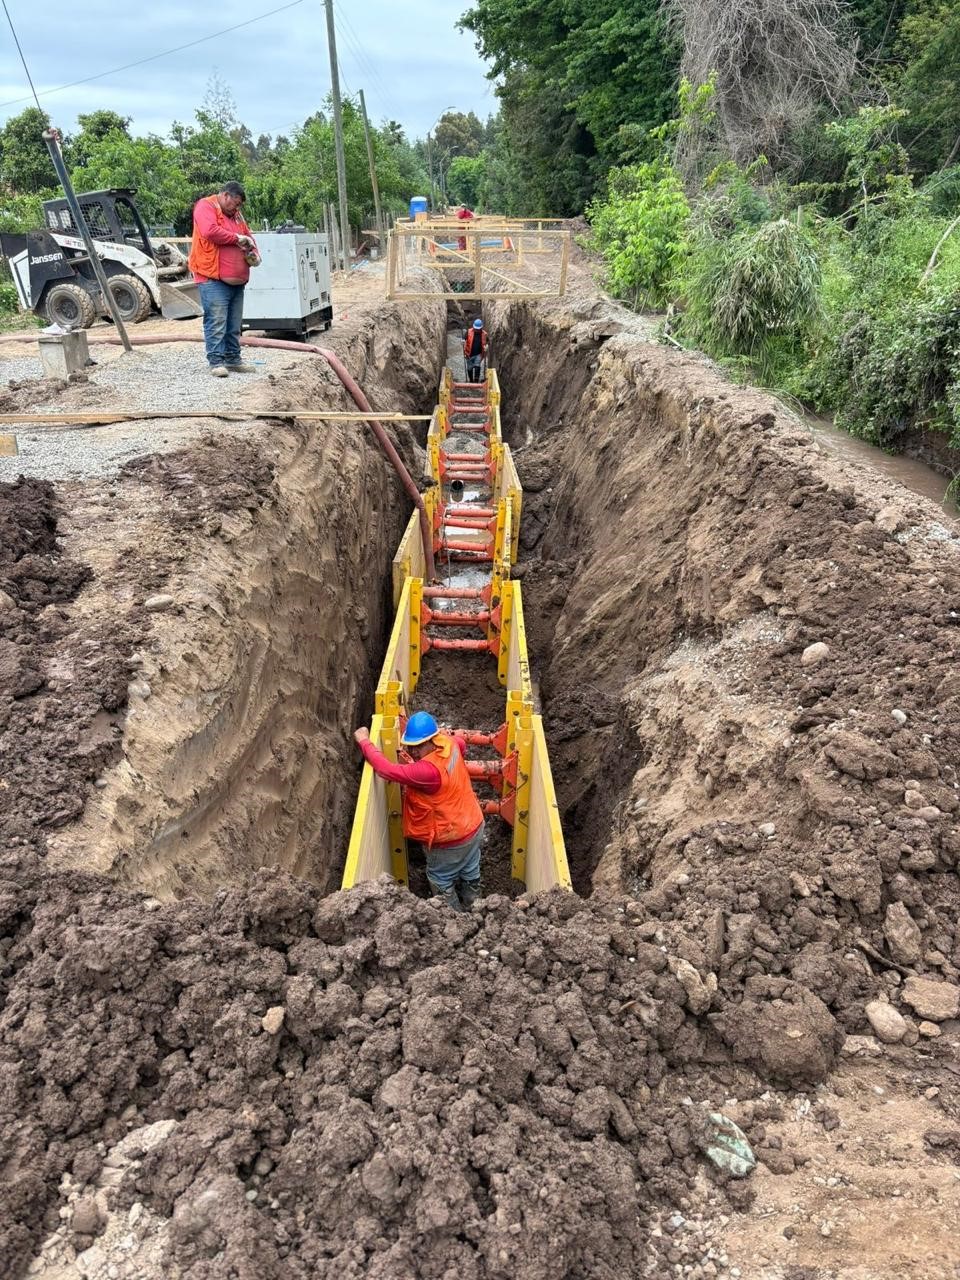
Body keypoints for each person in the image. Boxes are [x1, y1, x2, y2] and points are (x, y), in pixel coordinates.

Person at [354, 710, 484, 911]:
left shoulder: (427, 772)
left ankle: (454, 918)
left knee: (439, 878)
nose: (413, 752)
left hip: (450, 840)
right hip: (474, 824)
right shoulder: (449, 743)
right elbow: (462, 745)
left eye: (418, 746)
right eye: (410, 746)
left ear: (432, 741)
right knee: (470, 867)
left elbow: (385, 770)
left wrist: (364, 741)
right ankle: (477, 906)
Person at [189, 181, 260, 378]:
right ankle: (216, 361)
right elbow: (210, 231)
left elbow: (248, 236)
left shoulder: (236, 216)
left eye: (239, 205)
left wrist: (254, 252)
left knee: (234, 323)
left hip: (237, 281)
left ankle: (233, 359)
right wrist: (237, 239)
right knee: (217, 321)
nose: (237, 208)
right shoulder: (206, 206)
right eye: (235, 203)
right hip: (212, 278)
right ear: (225, 195)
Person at [463, 317, 487, 383]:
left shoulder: (484, 334)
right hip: (469, 354)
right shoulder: (468, 332)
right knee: (469, 369)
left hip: (478, 354)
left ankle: (476, 381)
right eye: (476, 329)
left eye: (478, 329)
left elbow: (488, 341)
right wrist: (462, 341)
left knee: (477, 366)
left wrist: (486, 346)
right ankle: (471, 380)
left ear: (481, 328)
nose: (477, 330)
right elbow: (464, 338)